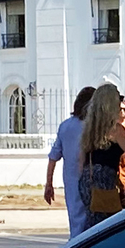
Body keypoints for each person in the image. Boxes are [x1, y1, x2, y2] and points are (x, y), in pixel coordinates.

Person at [76, 83, 125, 225]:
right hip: (104, 182)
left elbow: (81, 160)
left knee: (94, 224)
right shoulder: (116, 130)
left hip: (88, 179)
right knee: (109, 226)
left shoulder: (91, 128)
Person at [45, 86, 95, 234]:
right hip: (91, 180)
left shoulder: (65, 126)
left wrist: (49, 183)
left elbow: (53, 157)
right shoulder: (92, 127)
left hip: (71, 181)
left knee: (75, 221)